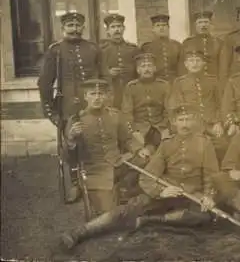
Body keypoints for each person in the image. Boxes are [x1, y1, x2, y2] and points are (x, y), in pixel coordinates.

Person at [59, 104, 219, 251]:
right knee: (124, 210)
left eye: (189, 119)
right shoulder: (166, 144)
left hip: (192, 195)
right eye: (181, 120)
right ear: (174, 122)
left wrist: (209, 196)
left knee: (204, 217)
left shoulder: (204, 143)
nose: (185, 124)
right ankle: (79, 232)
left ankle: (150, 220)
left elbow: (211, 174)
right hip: (166, 191)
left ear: (195, 122)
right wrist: (161, 191)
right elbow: (146, 176)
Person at [37, 11, 103, 202]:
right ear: (63, 28)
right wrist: (51, 112)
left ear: (83, 27)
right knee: (72, 144)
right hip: (68, 108)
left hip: (93, 104)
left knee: (97, 140)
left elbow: (103, 77)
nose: (74, 29)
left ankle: (95, 181)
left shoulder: (92, 48)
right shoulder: (55, 50)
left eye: (78, 25)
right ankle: (75, 183)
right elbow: (44, 83)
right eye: (70, 26)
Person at [63, 79, 149, 216]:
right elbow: (69, 158)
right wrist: (71, 139)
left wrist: (138, 149)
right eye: (93, 94)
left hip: (118, 163)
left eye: (101, 94)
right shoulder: (76, 120)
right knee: (110, 213)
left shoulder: (115, 115)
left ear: (106, 96)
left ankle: (123, 189)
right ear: (85, 96)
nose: (97, 97)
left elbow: (127, 139)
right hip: (94, 170)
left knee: (147, 160)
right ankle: (115, 195)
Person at [120, 53, 172, 201]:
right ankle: (131, 188)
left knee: (165, 156)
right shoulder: (131, 87)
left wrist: (166, 128)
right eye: (143, 66)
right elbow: (126, 113)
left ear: (155, 68)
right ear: (138, 70)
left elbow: (169, 110)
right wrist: (134, 132)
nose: (147, 69)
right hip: (140, 129)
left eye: (149, 66)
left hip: (160, 127)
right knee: (141, 157)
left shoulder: (164, 85)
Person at [169, 48, 228, 162]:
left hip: (212, 125)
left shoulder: (213, 81)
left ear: (204, 63)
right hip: (191, 125)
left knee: (223, 146)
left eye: (197, 60)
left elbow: (221, 104)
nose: (194, 64)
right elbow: (177, 108)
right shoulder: (179, 82)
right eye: (191, 61)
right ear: (186, 64)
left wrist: (218, 122)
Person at [99, 13, 139, 109]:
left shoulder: (133, 49)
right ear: (107, 30)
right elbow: (96, 72)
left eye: (119, 26)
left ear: (123, 28)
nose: (117, 30)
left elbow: (139, 71)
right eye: (113, 27)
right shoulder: (101, 50)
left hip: (131, 92)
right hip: (111, 93)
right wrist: (108, 73)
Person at [140, 14, 183, 83]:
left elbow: (182, 67)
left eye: (164, 25)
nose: (161, 28)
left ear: (168, 28)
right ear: (153, 29)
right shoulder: (146, 47)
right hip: (155, 83)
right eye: (158, 26)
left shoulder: (177, 45)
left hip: (174, 82)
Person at [181, 11, 223, 79]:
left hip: (214, 81)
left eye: (206, 22)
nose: (203, 25)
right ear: (195, 25)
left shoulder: (219, 43)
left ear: (210, 24)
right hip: (194, 81)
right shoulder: (187, 43)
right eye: (200, 22)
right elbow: (183, 65)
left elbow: (223, 65)